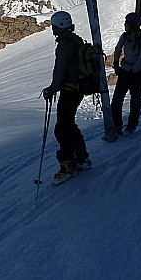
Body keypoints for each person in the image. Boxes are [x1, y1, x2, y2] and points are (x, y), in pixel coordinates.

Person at [42, 10, 91, 183]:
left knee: (61, 129)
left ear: (59, 26)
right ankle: (82, 157)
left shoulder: (64, 45)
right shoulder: (76, 40)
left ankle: (68, 165)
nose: (52, 29)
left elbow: (60, 70)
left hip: (69, 90)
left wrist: (52, 89)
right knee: (69, 125)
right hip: (78, 89)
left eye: (54, 26)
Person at [111, 12, 141, 135]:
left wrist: (118, 65)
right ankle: (122, 126)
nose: (125, 25)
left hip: (135, 73)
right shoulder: (127, 37)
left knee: (130, 101)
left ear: (132, 25)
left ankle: (128, 126)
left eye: (127, 23)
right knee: (124, 100)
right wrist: (116, 64)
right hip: (132, 72)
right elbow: (118, 49)